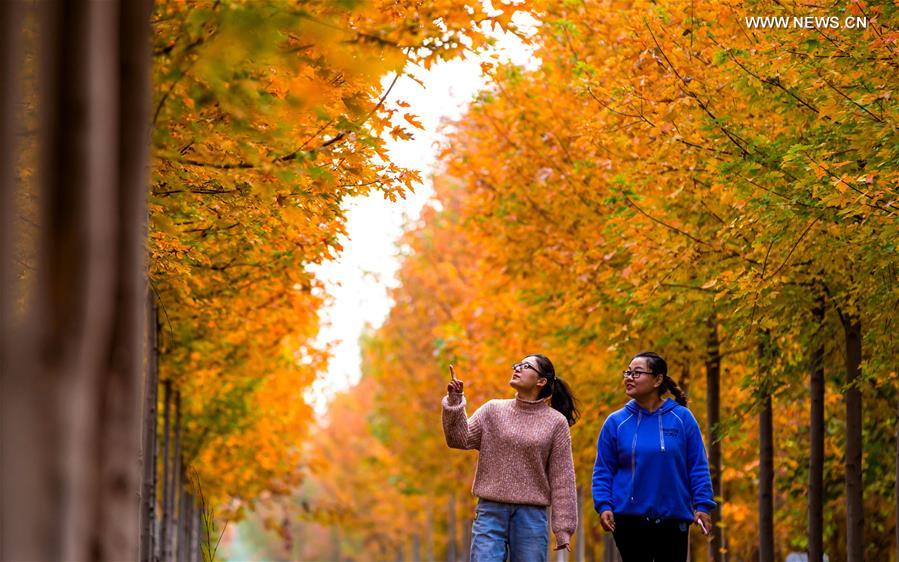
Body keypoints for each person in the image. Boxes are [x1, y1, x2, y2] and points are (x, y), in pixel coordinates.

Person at [442, 354, 579, 562]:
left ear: (541, 381)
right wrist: (455, 400)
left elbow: (562, 477)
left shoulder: (556, 422)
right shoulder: (493, 410)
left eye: (526, 366)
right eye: (517, 364)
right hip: (490, 511)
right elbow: (458, 439)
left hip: (531, 516)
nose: (517, 368)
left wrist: (564, 528)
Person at [591, 351, 716, 562]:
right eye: (627, 372)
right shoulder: (615, 422)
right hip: (628, 520)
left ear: (658, 379)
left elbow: (697, 466)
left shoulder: (682, 418)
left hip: (674, 519)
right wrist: (604, 505)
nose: (629, 377)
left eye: (637, 373)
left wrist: (702, 505)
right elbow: (603, 470)